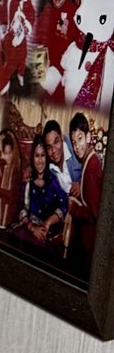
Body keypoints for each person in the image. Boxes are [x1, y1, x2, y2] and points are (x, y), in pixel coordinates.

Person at [16, 132, 69, 248]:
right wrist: (32, 228)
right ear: (32, 157)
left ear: (47, 157)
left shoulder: (53, 181)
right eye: (37, 156)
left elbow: (64, 205)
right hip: (28, 232)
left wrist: (48, 223)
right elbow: (20, 208)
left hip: (48, 235)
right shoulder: (28, 181)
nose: (40, 160)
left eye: (43, 155)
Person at [67, 113, 104, 270]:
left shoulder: (91, 167)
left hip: (90, 243)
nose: (77, 147)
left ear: (88, 137)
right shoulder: (91, 160)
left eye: (80, 138)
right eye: (74, 142)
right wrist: (81, 185)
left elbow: (94, 213)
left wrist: (73, 208)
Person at [36, 0, 77, 95]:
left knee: (50, 84)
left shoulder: (73, 12)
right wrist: (41, 64)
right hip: (45, 62)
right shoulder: (48, 10)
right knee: (38, 81)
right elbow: (38, 40)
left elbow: (76, 46)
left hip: (62, 68)